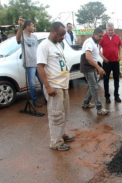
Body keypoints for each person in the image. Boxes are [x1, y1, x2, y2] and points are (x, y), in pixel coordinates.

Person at [37, 22, 74, 151]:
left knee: (64, 113)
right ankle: (55, 142)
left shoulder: (57, 44)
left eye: (64, 35)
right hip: (54, 86)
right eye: (60, 34)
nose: (63, 37)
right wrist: (47, 87)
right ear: (53, 31)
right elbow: (40, 67)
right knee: (56, 115)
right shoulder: (44, 46)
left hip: (63, 85)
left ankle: (61, 135)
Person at [16, 17, 45, 107]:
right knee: (32, 84)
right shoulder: (22, 36)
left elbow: (38, 49)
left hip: (37, 63)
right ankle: (35, 100)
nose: (34, 27)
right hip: (29, 64)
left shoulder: (34, 37)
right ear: (27, 26)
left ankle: (46, 98)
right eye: (32, 26)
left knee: (43, 82)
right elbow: (17, 39)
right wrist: (20, 26)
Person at [80, 28, 108, 115]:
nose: (101, 38)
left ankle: (86, 103)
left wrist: (96, 67)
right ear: (95, 34)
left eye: (102, 36)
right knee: (94, 87)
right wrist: (98, 68)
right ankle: (99, 108)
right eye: (99, 36)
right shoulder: (89, 42)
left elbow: (93, 57)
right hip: (87, 67)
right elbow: (88, 57)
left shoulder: (95, 42)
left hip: (91, 66)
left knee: (93, 86)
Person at [99, 23, 122, 104]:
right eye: (109, 30)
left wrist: (120, 55)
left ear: (113, 29)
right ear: (106, 29)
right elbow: (98, 49)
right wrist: (103, 57)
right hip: (106, 62)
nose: (111, 31)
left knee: (117, 79)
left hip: (116, 62)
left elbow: (119, 47)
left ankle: (116, 96)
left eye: (112, 30)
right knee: (106, 80)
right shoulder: (102, 37)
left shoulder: (117, 37)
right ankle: (107, 97)